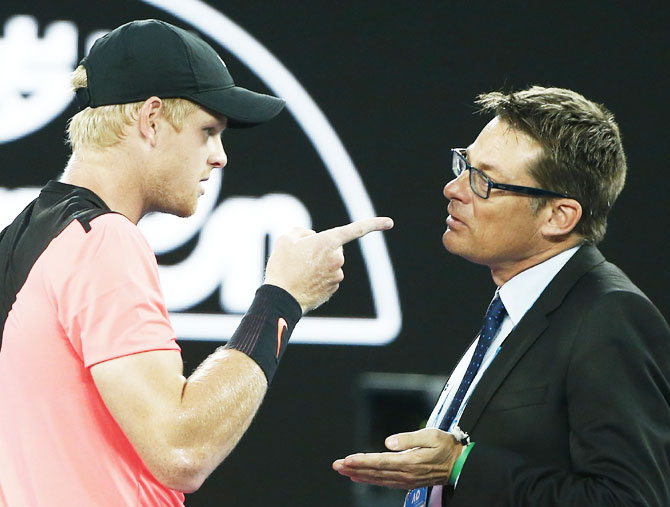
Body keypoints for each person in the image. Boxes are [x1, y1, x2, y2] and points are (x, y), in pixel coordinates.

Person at [0, 19, 393, 506]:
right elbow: (182, 448)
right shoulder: (103, 241)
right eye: (208, 131)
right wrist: (282, 299)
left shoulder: (25, 236)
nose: (220, 156)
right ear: (151, 119)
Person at [333, 86, 670, 506]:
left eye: (484, 181)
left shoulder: (611, 316)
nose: (453, 189)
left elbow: (630, 499)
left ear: (558, 216)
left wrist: (461, 465)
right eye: (464, 165)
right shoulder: (518, 308)